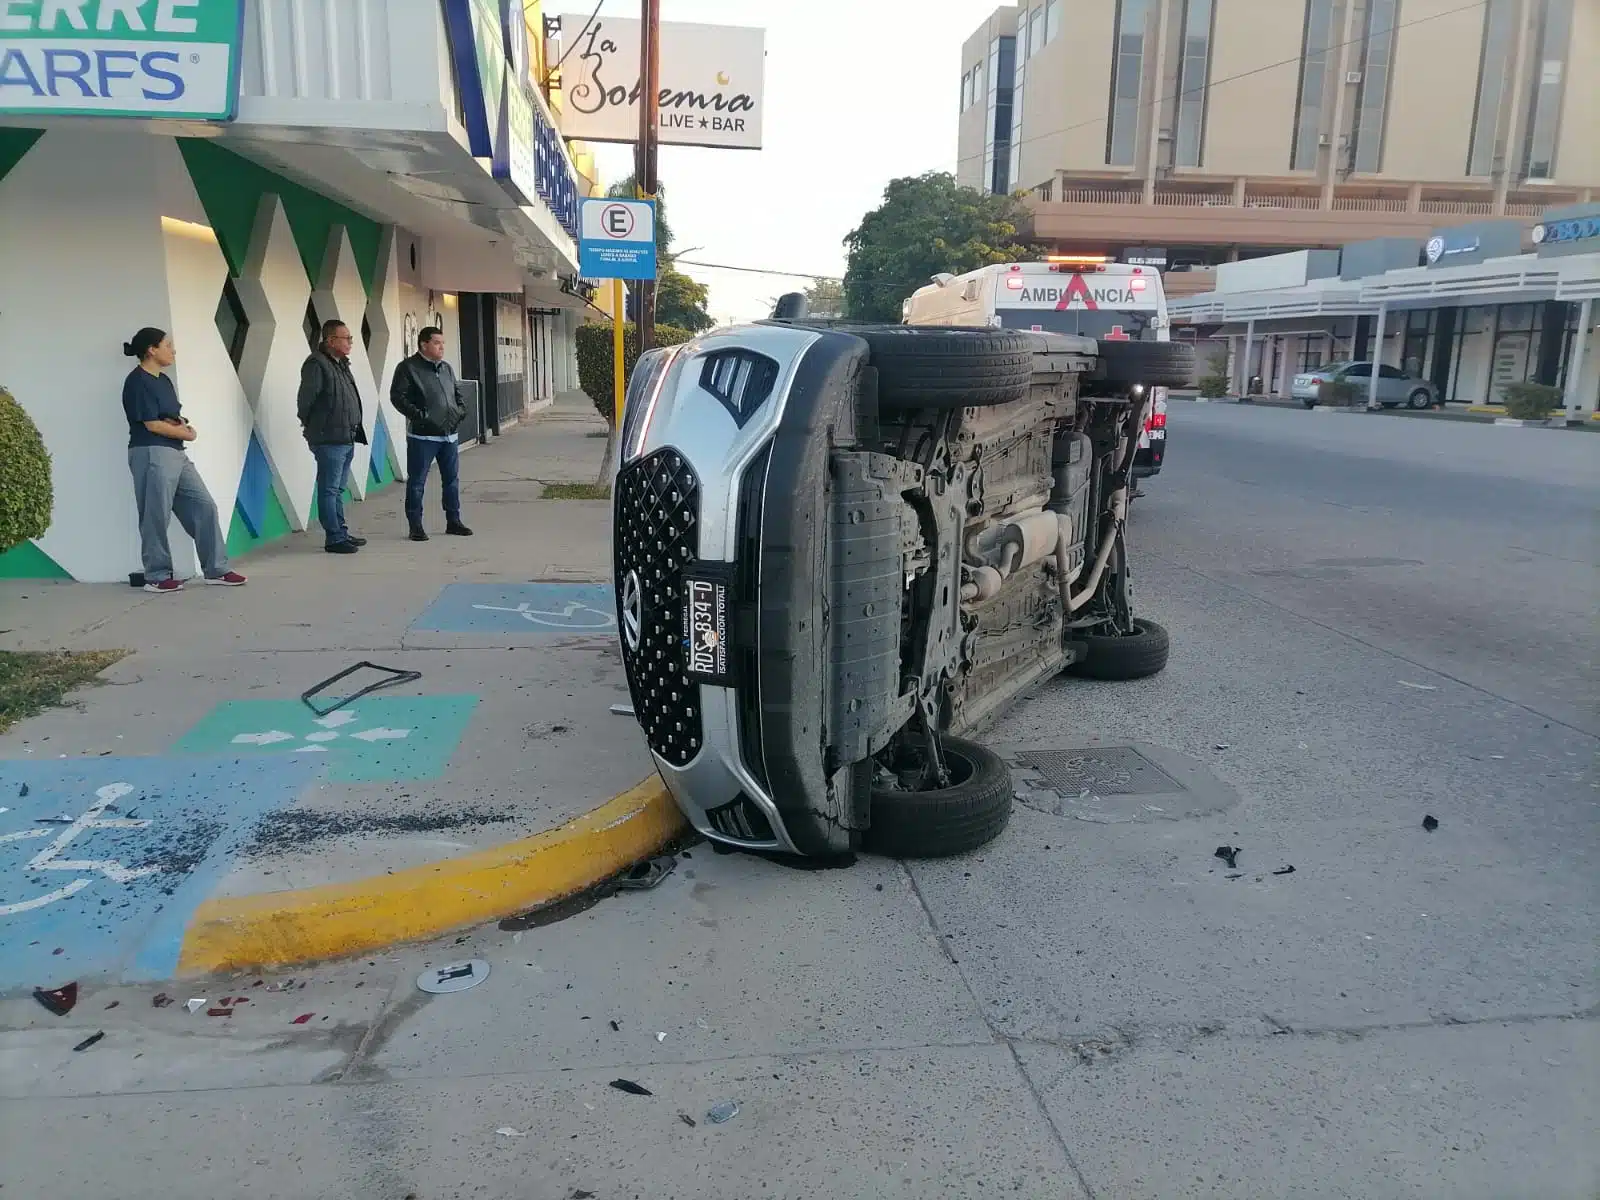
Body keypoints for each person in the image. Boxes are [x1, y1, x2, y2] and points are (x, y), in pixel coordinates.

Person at [120, 328, 247, 593]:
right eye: (167, 345)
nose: (173, 350)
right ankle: (156, 575)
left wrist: (183, 426)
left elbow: (171, 415)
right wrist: (185, 433)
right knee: (156, 514)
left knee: (204, 507)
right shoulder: (137, 381)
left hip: (175, 452)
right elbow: (152, 423)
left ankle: (216, 569)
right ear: (151, 350)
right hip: (151, 452)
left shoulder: (163, 381)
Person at [389, 326, 473, 542]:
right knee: (417, 482)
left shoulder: (446, 368)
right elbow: (398, 397)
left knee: (451, 481)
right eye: (437, 343)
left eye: (443, 343)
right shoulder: (408, 368)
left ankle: (453, 521)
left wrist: (460, 411)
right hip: (423, 437)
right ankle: (415, 525)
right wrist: (421, 416)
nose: (442, 347)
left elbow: (456, 393)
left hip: (449, 435)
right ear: (424, 344)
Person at [297, 319, 368, 554]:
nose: (350, 343)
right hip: (328, 438)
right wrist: (315, 427)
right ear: (330, 340)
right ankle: (334, 538)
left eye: (350, 338)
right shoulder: (316, 364)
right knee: (329, 489)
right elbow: (306, 401)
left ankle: (341, 531)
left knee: (338, 489)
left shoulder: (341, 364)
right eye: (346, 338)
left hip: (346, 436)